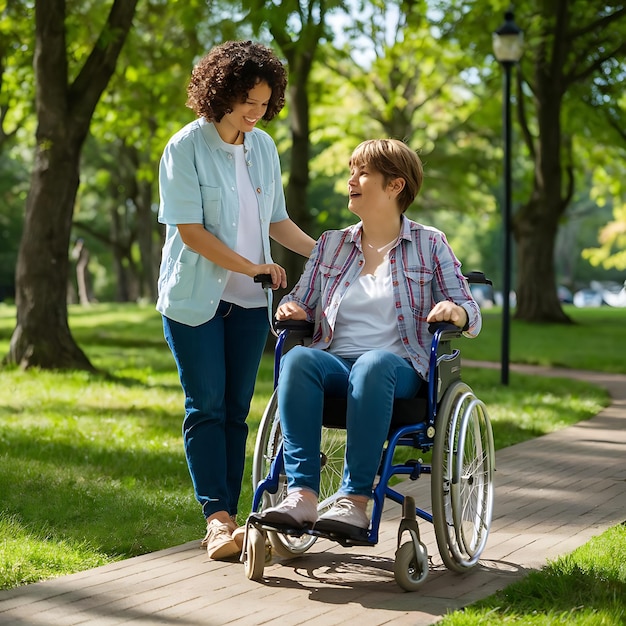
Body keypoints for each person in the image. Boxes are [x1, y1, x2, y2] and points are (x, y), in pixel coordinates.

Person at [257, 138, 482, 539]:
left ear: (395, 185)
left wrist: (457, 312)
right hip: (335, 363)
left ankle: (354, 502)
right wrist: (292, 309)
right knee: (297, 359)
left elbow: (469, 308)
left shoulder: (430, 243)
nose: (351, 180)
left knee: (373, 363)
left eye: (362, 173)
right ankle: (302, 495)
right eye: (351, 171)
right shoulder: (332, 244)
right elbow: (299, 300)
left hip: (397, 368)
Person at [156, 40, 316, 560]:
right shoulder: (185, 147)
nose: (256, 110)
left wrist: (330, 253)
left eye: (265, 102)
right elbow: (190, 232)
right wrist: (253, 266)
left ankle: (237, 516)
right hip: (195, 300)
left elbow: (276, 222)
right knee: (205, 407)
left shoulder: (263, 147)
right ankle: (217, 520)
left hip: (251, 302)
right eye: (248, 99)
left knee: (235, 412)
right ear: (221, 91)